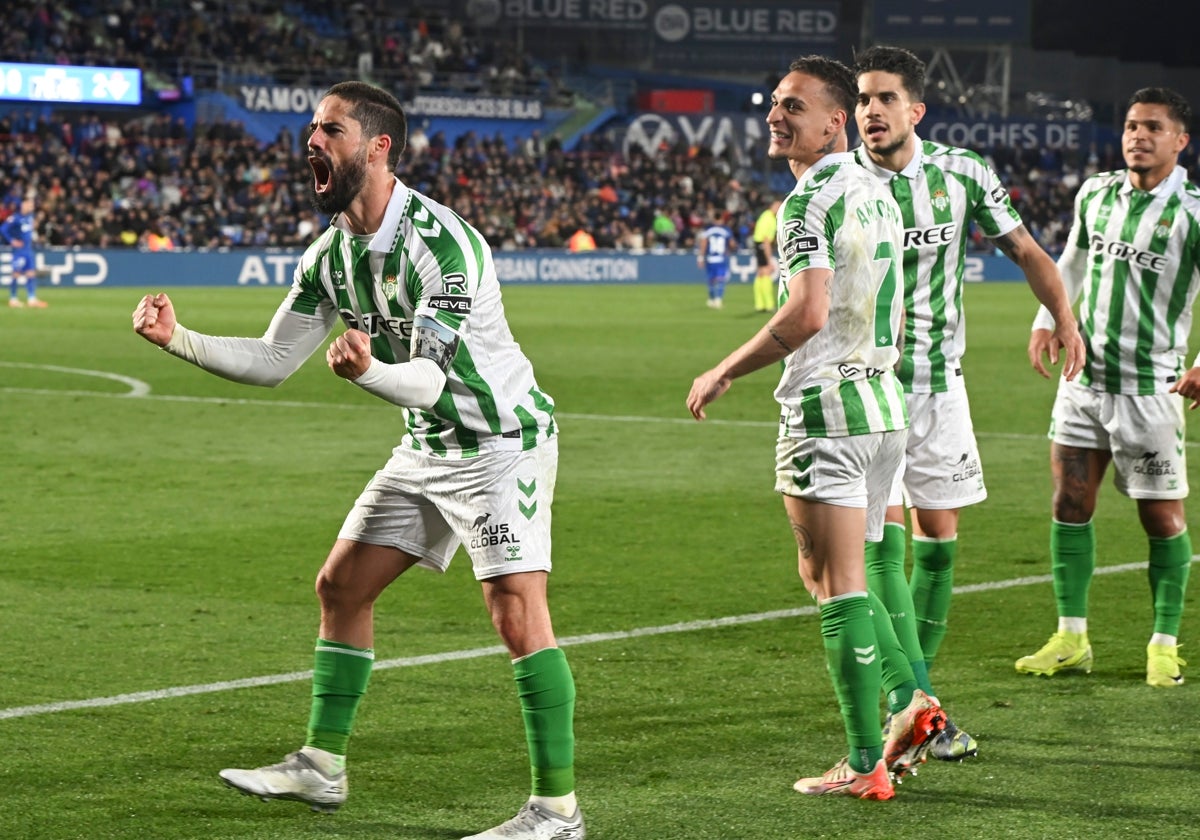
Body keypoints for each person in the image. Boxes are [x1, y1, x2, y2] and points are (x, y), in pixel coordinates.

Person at [132, 81, 584, 840]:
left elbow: (434, 378)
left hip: (499, 445)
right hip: (427, 443)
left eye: (330, 129)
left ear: (377, 148)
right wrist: (178, 338)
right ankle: (322, 765)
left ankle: (556, 813)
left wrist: (368, 373)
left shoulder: (443, 245)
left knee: (516, 615)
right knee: (341, 586)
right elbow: (275, 358)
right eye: (311, 127)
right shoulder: (329, 254)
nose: (312, 139)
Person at [687, 55, 945, 801]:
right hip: (883, 408)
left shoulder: (807, 206)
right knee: (851, 573)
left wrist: (726, 369)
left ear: (835, 121)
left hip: (827, 412)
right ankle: (909, 698)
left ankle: (867, 759)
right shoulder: (880, 192)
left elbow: (805, 313)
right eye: (774, 102)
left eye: (793, 107)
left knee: (831, 585)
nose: (775, 115)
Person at [851, 45, 1086, 758]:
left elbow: (1028, 252)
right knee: (882, 551)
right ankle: (914, 704)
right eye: (862, 99)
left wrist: (1064, 318)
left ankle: (912, 698)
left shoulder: (962, 173)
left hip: (940, 385)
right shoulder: (838, 182)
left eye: (884, 98)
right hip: (870, 389)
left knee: (941, 543)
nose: (869, 111)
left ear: (915, 110)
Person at [1016, 86, 1200, 689]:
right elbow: (1070, 262)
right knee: (1070, 504)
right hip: (1082, 380)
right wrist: (1049, 321)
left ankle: (1164, 644)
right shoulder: (1097, 193)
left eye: (1152, 127)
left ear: (1180, 140)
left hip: (1151, 388)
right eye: (1129, 126)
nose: (1137, 136)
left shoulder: (1194, 212)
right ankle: (1072, 637)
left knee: (1162, 518)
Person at [1, 196, 47, 308]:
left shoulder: (30, 217)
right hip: (19, 251)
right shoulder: (15, 218)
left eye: (32, 205)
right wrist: (12, 240)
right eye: (29, 205)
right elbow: (3, 229)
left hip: (28, 249)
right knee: (16, 274)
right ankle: (13, 299)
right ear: (23, 205)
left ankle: (31, 299)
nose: (31, 207)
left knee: (30, 273)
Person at [695, 213, 735, 309]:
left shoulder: (708, 230)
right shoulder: (726, 230)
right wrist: (729, 250)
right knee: (721, 279)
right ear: (721, 219)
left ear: (713, 219)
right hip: (721, 259)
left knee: (711, 280)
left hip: (710, 259)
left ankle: (711, 299)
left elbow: (703, 244)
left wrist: (700, 257)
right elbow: (732, 244)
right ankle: (718, 300)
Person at [751, 198, 781, 312]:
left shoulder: (765, 216)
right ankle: (768, 305)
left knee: (760, 274)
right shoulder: (770, 219)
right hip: (762, 245)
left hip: (758, 244)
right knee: (767, 272)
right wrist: (769, 260)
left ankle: (759, 304)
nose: (779, 209)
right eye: (778, 206)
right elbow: (766, 240)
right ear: (772, 206)